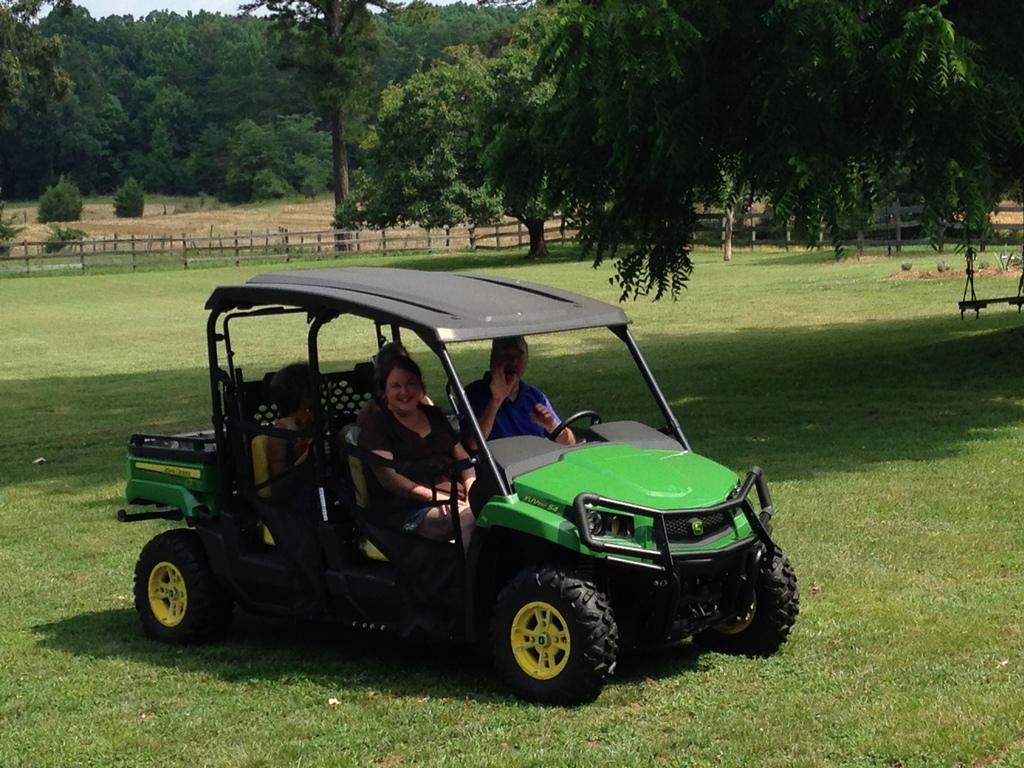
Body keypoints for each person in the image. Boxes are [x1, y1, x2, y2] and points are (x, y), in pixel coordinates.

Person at [358, 355, 476, 551]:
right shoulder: (378, 425)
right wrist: (435, 497)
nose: (404, 392)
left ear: (420, 387)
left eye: (410, 384)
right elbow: (390, 479)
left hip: (455, 501)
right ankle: (471, 581)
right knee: (470, 519)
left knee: (500, 512)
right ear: (385, 391)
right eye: (395, 386)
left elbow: (464, 459)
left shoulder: (435, 416)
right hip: (408, 511)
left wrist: (472, 491)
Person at [463, 335, 575, 447]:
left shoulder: (535, 396)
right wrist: (496, 401)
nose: (513, 361)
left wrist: (552, 426)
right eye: (507, 355)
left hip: (537, 460)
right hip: (501, 462)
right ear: (494, 359)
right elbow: (473, 444)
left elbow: (569, 443)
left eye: (519, 356)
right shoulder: (473, 394)